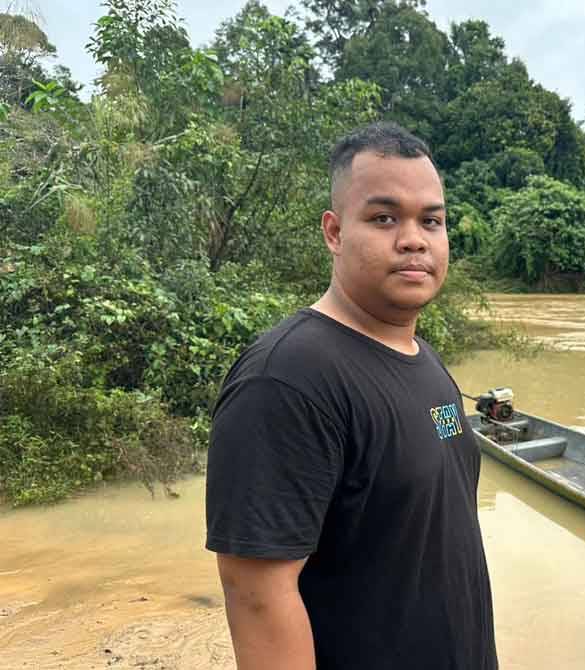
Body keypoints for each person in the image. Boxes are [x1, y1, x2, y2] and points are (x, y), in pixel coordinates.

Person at [205, 122, 498, 670]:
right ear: (334, 233)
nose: (414, 239)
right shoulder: (288, 378)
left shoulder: (426, 361)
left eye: (431, 221)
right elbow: (257, 593)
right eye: (384, 217)